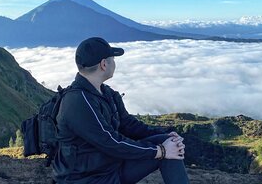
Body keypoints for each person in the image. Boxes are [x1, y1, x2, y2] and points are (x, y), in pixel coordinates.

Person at [52, 37, 189, 184]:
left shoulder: (106, 93)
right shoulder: (78, 101)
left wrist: (166, 135)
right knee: (165, 149)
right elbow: (111, 142)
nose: (115, 63)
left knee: (169, 142)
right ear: (104, 64)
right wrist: (160, 151)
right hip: (88, 179)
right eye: (113, 59)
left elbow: (129, 125)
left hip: (109, 167)